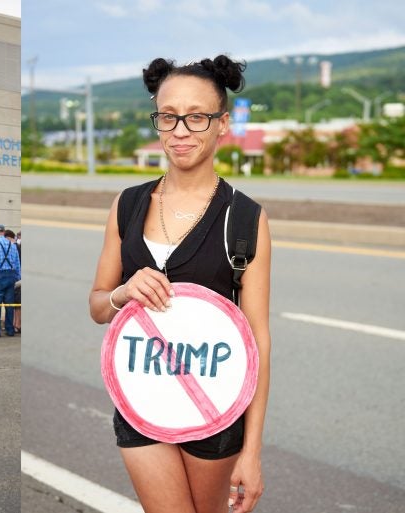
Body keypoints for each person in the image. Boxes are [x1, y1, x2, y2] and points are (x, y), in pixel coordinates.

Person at [89, 55, 271, 513]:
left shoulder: (245, 218)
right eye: (168, 116)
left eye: (196, 117)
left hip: (212, 408)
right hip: (141, 401)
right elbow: (97, 306)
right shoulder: (127, 205)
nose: (180, 130)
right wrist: (123, 292)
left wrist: (251, 452)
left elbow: (258, 341)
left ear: (222, 124)